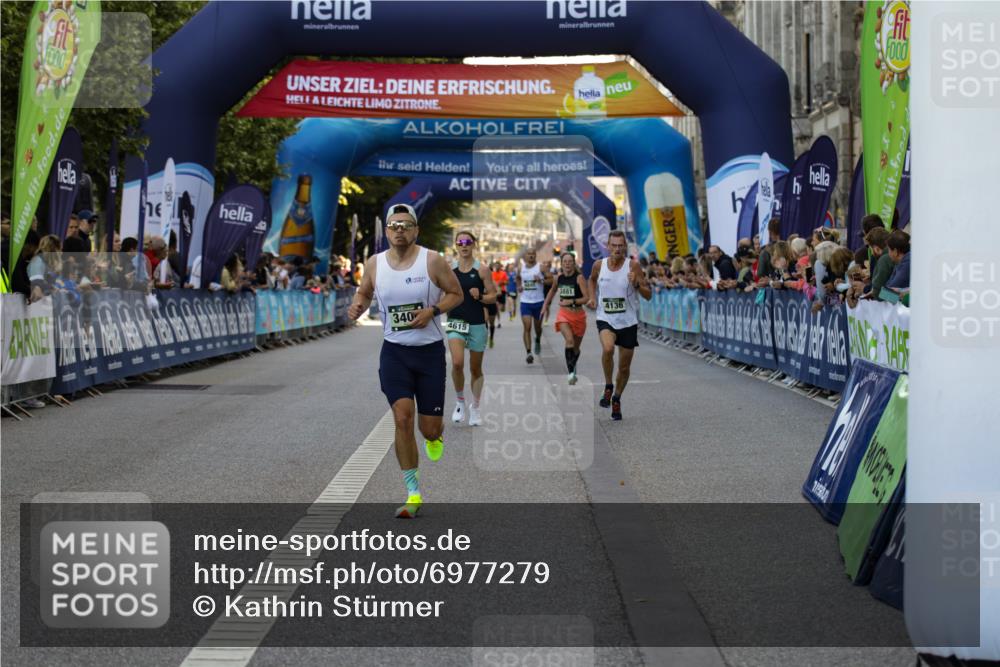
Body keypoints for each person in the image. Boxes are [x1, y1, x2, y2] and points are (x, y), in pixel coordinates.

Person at [347, 203, 463, 519]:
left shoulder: (432, 261)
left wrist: (433, 311)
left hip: (428, 354)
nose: (400, 230)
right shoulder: (374, 263)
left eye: (406, 225)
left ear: (415, 230)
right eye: (394, 225)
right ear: (386, 231)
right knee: (402, 417)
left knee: (428, 428)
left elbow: (456, 294)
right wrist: (358, 306)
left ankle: (434, 435)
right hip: (395, 352)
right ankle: (413, 492)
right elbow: (364, 292)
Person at [588, 230, 652, 420]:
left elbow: (649, 295)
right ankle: (608, 385)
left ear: (625, 247)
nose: (617, 249)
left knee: (624, 368)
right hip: (605, 317)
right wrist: (592, 297)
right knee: (607, 348)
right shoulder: (599, 265)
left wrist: (637, 285)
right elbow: (591, 280)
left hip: (628, 321)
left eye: (620, 246)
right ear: (608, 246)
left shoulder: (633, 266)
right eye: (613, 245)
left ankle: (616, 398)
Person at [447, 231, 498, 426]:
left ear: (474, 244)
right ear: (456, 246)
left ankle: (475, 407)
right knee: (457, 363)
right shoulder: (449, 269)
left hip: (476, 323)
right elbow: (441, 292)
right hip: (455, 321)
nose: (464, 245)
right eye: (460, 242)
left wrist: (481, 296)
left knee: (475, 368)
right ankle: (460, 402)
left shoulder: (482, 270)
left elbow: (493, 295)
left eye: (467, 241)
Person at [541, 252, 590, 385]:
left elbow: (586, 298)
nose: (567, 264)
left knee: (575, 348)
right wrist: (545, 305)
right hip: (564, 314)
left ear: (574, 263)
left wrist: (571, 302)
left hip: (579, 316)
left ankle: (573, 366)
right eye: (565, 262)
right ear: (561, 264)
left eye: (570, 261)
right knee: (569, 341)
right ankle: (571, 373)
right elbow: (552, 291)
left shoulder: (579, 278)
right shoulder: (558, 278)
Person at [516, 248, 547, 364]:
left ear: (535, 255)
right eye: (529, 254)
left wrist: (541, 280)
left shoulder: (541, 267)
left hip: (538, 302)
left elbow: (551, 281)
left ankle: (538, 339)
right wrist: (519, 286)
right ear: (525, 256)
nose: (531, 256)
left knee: (538, 328)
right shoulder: (521, 268)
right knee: (527, 327)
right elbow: (518, 278)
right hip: (525, 302)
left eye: (533, 254)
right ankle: (529, 352)